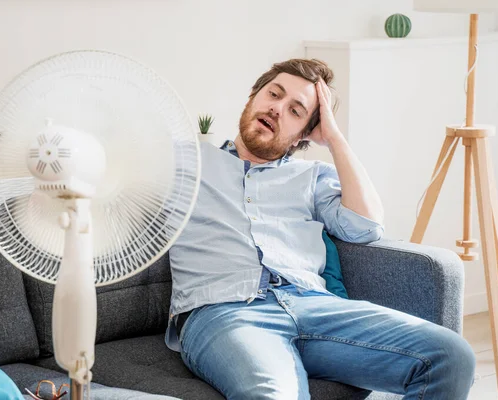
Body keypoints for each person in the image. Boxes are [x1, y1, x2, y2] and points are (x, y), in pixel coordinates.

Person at [164, 58, 475, 399]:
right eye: (273, 94)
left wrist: (335, 138)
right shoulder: (186, 160)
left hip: (314, 306)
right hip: (223, 311)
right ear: (253, 96)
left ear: (304, 135)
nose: (277, 108)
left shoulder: (312, 177)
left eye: (296, 111)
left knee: (450, 356)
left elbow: (365, 227)